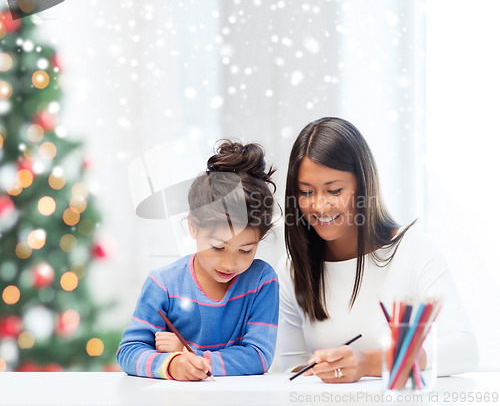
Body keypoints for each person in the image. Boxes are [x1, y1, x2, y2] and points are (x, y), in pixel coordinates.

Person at [278, 117, 479, 383]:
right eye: (306, 192)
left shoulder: (413, 251)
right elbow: (289, 368)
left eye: (334, 190)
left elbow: (464, 350)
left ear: (363, 186)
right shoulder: (292, 267)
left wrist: (370, 362)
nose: (320, 206)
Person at [117, 140, 279, 380]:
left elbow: (258, 356)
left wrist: (193, 355)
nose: (229, 263)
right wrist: (172, 364)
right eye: (217, 247)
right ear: (193, 226)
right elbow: (129, 352)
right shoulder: (163, 284)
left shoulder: (261, 282)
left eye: (245, 250)